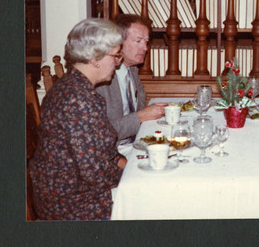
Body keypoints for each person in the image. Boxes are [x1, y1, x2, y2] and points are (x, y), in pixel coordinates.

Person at [29, 18, 126, 220]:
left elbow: (101, 150)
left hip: (69, 191)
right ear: (95, 58)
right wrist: (133, 177)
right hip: (72, 203)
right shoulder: (79, 100)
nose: (118, 63)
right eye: (116, 56)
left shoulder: (73, 86)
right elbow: (94, 173)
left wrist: (128, 164)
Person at [96, 14, 165, 148]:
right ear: (118, 43)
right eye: (138, 41)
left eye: (146, 41)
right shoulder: (102, 80)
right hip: (112, 152)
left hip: (134, 144)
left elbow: (140, 111)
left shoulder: (131, 70)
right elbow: (101, 134)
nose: (145, 48)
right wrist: (141, 116)